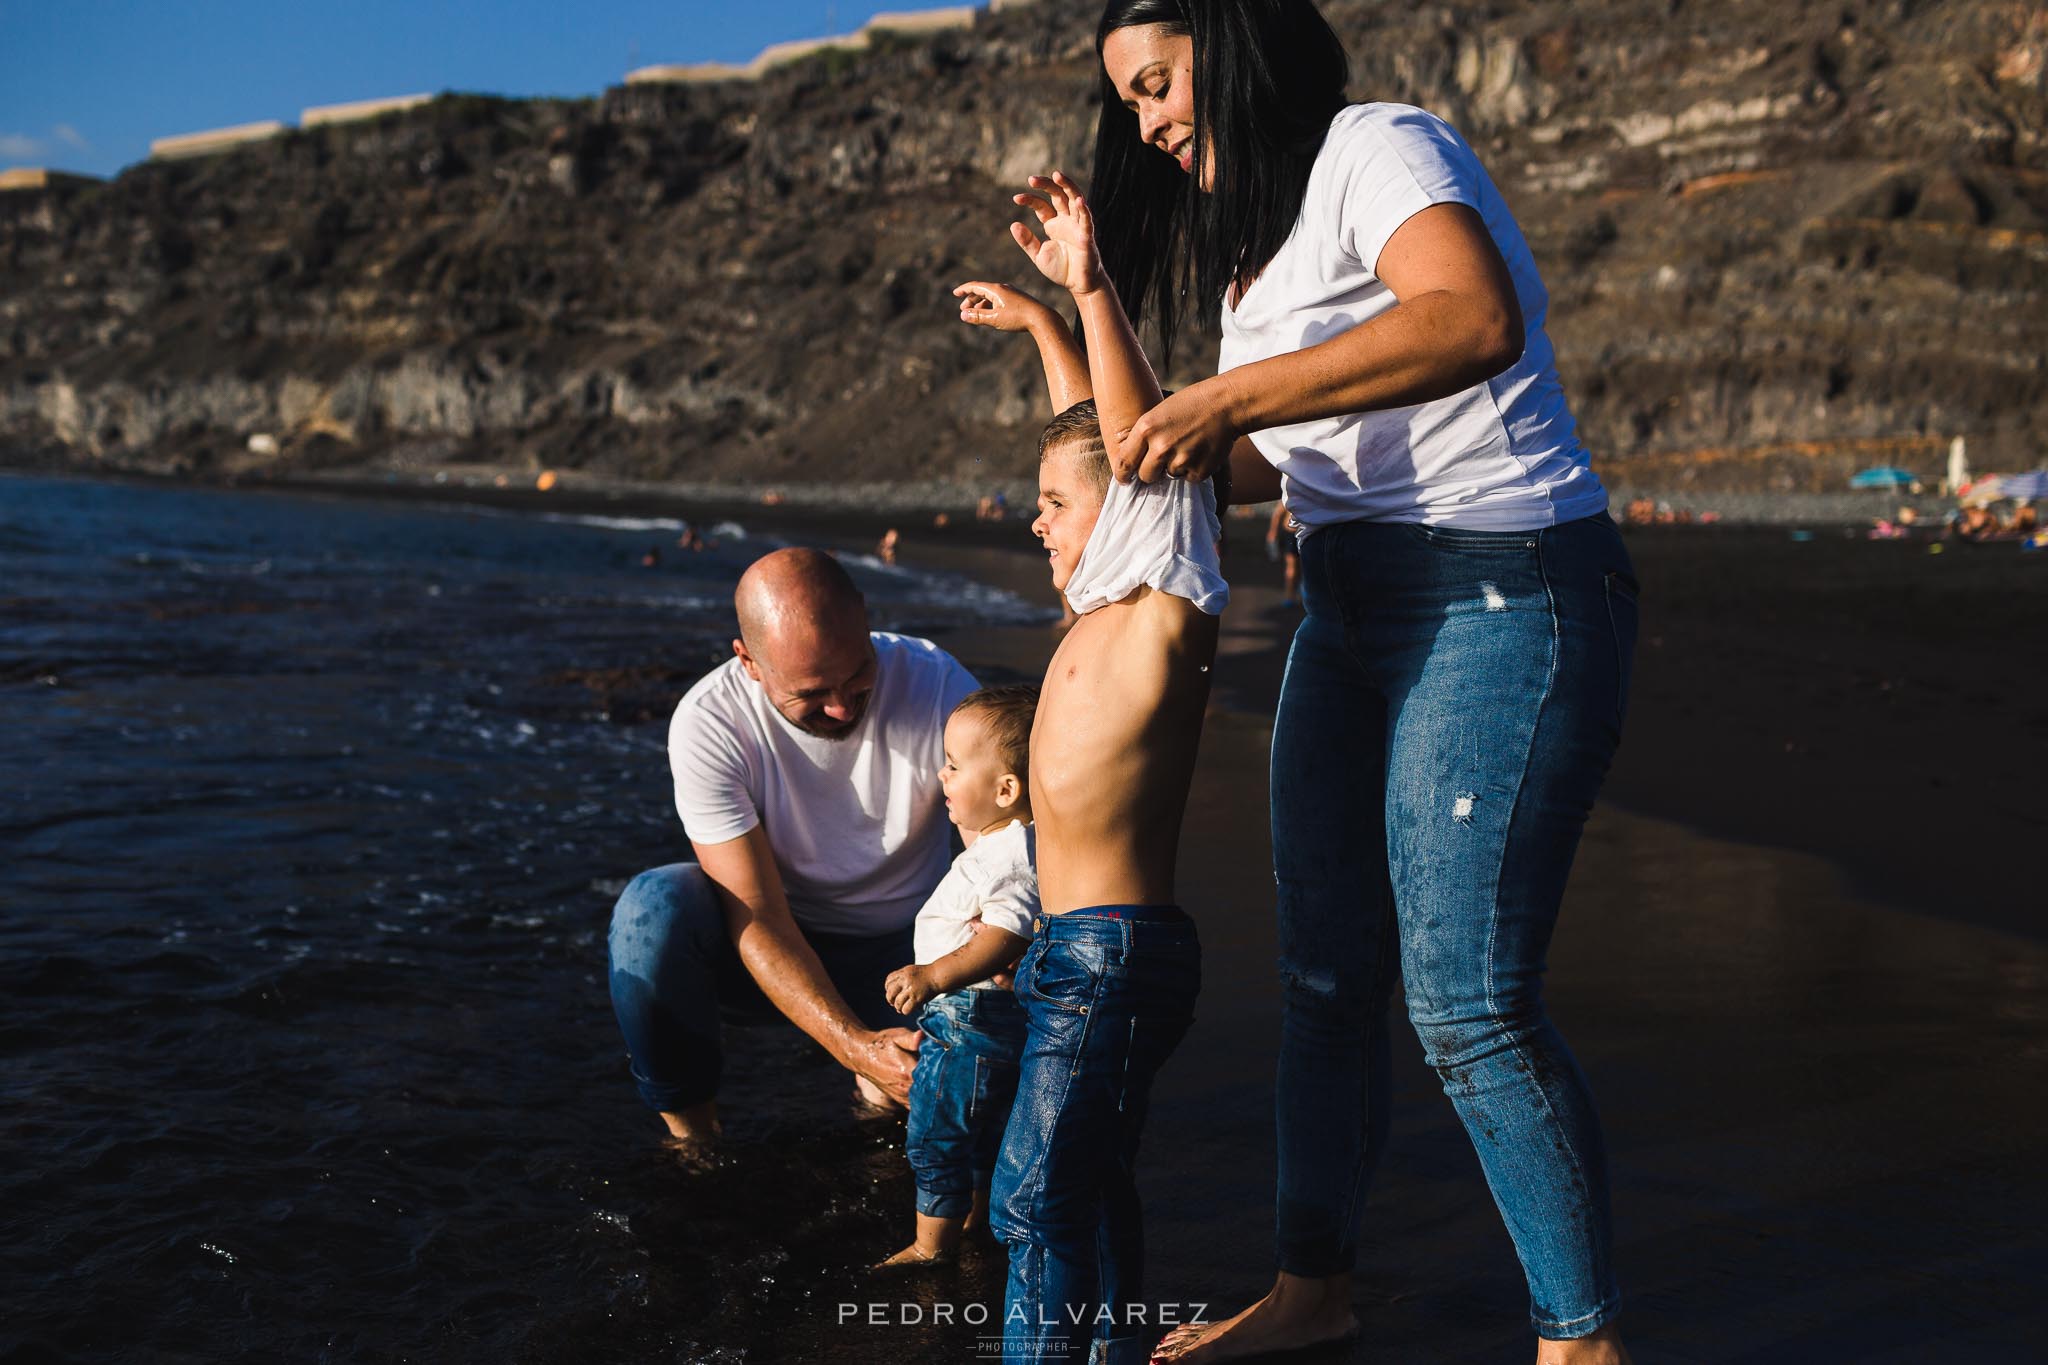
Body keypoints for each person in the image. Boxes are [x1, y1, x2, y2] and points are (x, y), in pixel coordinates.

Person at [1077, 5, 1639, 1362]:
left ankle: (1582, 1343)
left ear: (1236, 38)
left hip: (1502, 586)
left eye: (1160, 83)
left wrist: (1232, 398)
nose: (1150, 121)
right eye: (1133, 104)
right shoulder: (1250, 271)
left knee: (1468, 1000)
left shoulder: (1374, 145)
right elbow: (1231, 460)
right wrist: (1085, 298)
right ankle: (1313, 1290)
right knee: (1327, 980)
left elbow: (1470, 314)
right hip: (1347, 611)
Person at [961, 164, 1229, 1365]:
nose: (1036, 521)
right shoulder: (1103, 607)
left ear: (1125, 506)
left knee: (1032, 1201)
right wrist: (1039, 327)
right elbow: (1087, 436)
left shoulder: (1161, 590)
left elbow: (1125, 447)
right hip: (1079, 949)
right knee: (1087, 1186)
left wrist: (1095, 285)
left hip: (1113, 948)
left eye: (1051, 507)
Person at [604, 547, 980, 1158]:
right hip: (772, 941)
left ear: (864, 617)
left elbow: (992, 855)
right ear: (749, 662)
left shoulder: (937, 683)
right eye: (812, 692)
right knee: (652, 908)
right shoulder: (709, 723)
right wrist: (853, 1042)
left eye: (858, 676)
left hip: (912, 950)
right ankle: (695, 1144)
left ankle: (876, 1102)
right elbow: (758, 915)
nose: (841, 706)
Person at [876, 684, 1044, 1267]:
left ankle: (931, 1248)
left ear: (1006, 789)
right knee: (977, 1122)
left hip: (970, 1014)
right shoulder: (1007, 840)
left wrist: (935, 977)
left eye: (952, 765)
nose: (940, 775)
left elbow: (1006, 934)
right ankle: (970, 1218)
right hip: (969, 1016)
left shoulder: (1011, 854)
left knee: (936, 1132)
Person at [1265, 502, 1301, 605]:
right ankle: (1290, 595)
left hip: (1299, 532)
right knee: (1292, 566)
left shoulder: (1289, 493)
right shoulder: (1289, 494)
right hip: (1293, 533)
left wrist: (1272, 533)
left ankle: (1293, 594)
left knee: (1297, 566)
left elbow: (1277, 515)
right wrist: (1272, 533)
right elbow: (1277, 515)